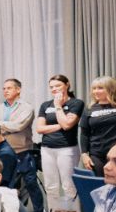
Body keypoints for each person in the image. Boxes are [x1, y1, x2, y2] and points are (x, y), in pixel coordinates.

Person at [0, 78, 44, 212]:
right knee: (6, 184)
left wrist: (0, 124)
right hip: (4, 152)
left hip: (23, 151)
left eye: (9, 88)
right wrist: (8, 126)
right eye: (4, 88)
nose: (5, 91)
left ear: (18, 90)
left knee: (31, 183)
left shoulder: (27, 107)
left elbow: (19, 125)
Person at [36, 74, 84, 203]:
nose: (54, 89)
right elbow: (40, 129)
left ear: (67, 85)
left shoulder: (76, 103)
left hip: (67, 148)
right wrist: (60, 125)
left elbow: (68, 125)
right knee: (50, 186)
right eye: (51, 87)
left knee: (68, 185)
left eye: (58, 85)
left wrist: (58, 106)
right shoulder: (45, 105)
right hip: (46, 148)